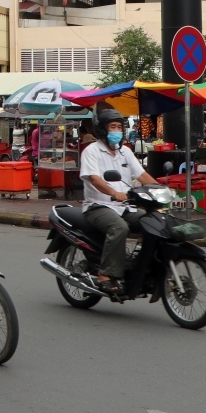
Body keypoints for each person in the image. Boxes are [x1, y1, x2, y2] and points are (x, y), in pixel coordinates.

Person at [78, 106, 158, 295]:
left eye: (119, 127)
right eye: (112, 127)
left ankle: (141, 266)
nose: (117, 131)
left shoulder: (125, 152)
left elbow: (142, 174)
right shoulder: (91, 152)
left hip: (123, 206)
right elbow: (94, 179)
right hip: (98, 206)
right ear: (102, 129)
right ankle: (105, 274)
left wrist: (161, 189)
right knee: (119, 228)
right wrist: (114, 192)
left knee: (153, 223)